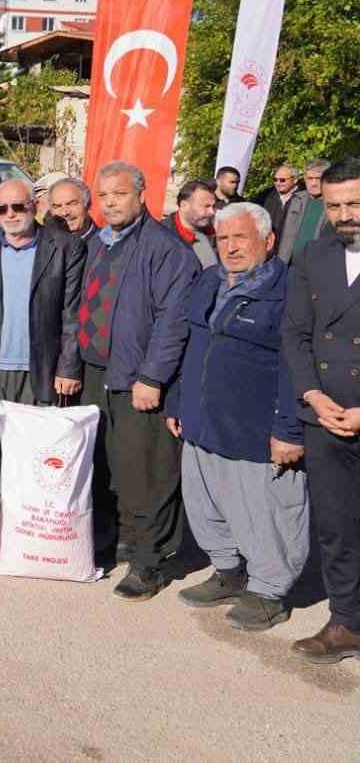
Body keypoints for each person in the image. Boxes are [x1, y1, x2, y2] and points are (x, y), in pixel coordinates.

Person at [165, 202, 306, 632]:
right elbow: (192, 344)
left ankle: (269, 591)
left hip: (255, 428)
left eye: (240, 237)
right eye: (222, 238)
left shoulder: (289, 291)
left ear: (268, 240)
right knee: (207, 502)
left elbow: (297, 365)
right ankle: (228, 570)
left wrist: (288, 428)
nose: (230, 247)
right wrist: (177, 401)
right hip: (202, 419)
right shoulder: (209, 280)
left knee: (266, 514)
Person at [77, 161, 198, 600]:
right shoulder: (98, 243)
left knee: (146, 472)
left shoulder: (165, 248)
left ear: (142, 196)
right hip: (97, 372)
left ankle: (150, 562)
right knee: (109, 467)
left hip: (138, 379)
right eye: (104, 196)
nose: (110, 203)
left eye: (119, 194)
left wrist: (152, 376)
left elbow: (174, 320)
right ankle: (120, 541)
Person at [283, 159, 360, 662]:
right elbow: (295, 332)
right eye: (334, 206)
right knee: (336, 526)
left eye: (354, 203)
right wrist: (311, 393)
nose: (344, 214)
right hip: (326, 414)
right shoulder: (313, 253)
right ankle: (346, 621)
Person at [0, 178, 85, 407]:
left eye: (18, 207)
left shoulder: (66, 247)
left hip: (42, 373)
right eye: (2, 208)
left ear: (35, 206)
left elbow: (72, 313)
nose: (10, 214)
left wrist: (68, 367)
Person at [281, 158, 333, 265]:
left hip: (318, 266)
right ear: (304, 179)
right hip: (288, 266)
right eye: (310, 178)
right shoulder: (295, 200)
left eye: (318, 178)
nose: (313, 183)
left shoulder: (336, 203)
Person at [165, 180, 220, 269]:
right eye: (206, 206)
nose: (212, 212)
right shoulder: (161, 238)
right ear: (184, 205)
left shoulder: (213, 232)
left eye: (213, 206)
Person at [258, 162, 301, 239]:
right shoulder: (266, 197)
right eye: (275, 180)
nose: (278, 183)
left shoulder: (303, 198)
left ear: (295, 180)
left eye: (282, 180)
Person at [49, 178, 99, 243]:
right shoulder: (44, 244)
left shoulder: (107, 243)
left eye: (72, 204)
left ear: (88, 204)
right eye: (57, 206)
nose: (64, 213)